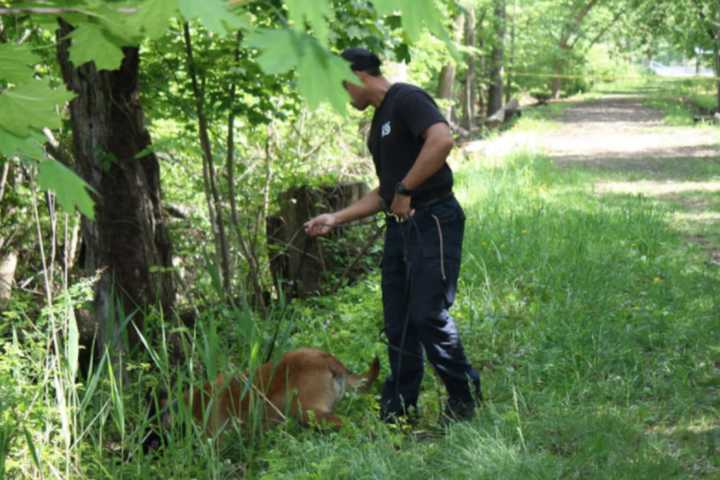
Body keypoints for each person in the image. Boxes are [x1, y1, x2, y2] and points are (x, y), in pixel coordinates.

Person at [304, 48, 481, 424]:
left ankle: (464, 398)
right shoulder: (378, 125)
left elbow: (441, 140)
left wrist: (405, 189)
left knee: (427, 314)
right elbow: (384, 192)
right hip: (402, 229)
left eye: (341, 84)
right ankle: (399, 408)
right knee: (398, 320)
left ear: (358, 75)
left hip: (433, 218)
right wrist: (336, 217)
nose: (341, 94)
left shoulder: (407, 99)